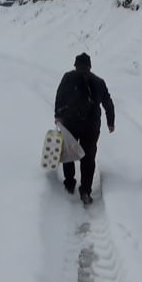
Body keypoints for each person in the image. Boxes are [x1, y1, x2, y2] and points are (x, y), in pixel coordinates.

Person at [54, 52, 115, 204]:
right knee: (88, 157)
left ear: (75, 65)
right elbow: (108, 103)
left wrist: (58, 115)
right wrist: (110, 121)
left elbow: (60, 96)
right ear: (90, 66)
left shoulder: (68, 77)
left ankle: (69, 183)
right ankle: (85, 191)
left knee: (69, 153)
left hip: (71, 122)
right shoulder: (98, 81)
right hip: (91, 125)